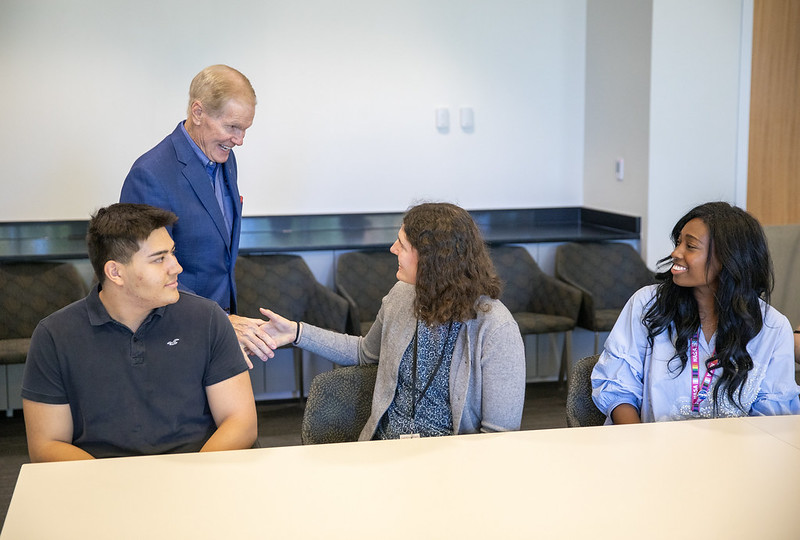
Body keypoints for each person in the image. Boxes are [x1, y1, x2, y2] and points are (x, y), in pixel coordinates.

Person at [260, 202, 526, 440]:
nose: (392, 249)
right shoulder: (401, 296)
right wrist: (296, 333)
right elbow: (364, 353)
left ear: (432, 259)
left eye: (402, 244)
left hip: (453, 463)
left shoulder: (495, 327)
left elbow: (499, 435)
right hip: (385, 448)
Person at [21, 203, 257, 462]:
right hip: (101, 483)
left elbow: (240, 422)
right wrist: (119, 488)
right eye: (159, 259)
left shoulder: (208, 318)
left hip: (197, 473)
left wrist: (189, 479)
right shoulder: (54, 335)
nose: (176, 267)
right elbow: (47, 444)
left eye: (172, 253)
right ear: (115, 272)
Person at [592, 201, 800, 424]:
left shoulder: (773, 328)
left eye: (690, 246)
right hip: (650, 452)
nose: (675, 252)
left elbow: (773, 417)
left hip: (735, 456)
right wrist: (641, 444)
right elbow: (618, 387)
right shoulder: (647, 304)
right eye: (678, 242)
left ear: (728, 259)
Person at [120, 64, 274, 365]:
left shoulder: (226, 161)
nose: (240, 140)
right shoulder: (150, 174)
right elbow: (145, 274)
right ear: (198, 112)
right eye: (232, 127)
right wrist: (217, 318)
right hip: (171, 336)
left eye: (245, 129)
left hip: (219, 329)